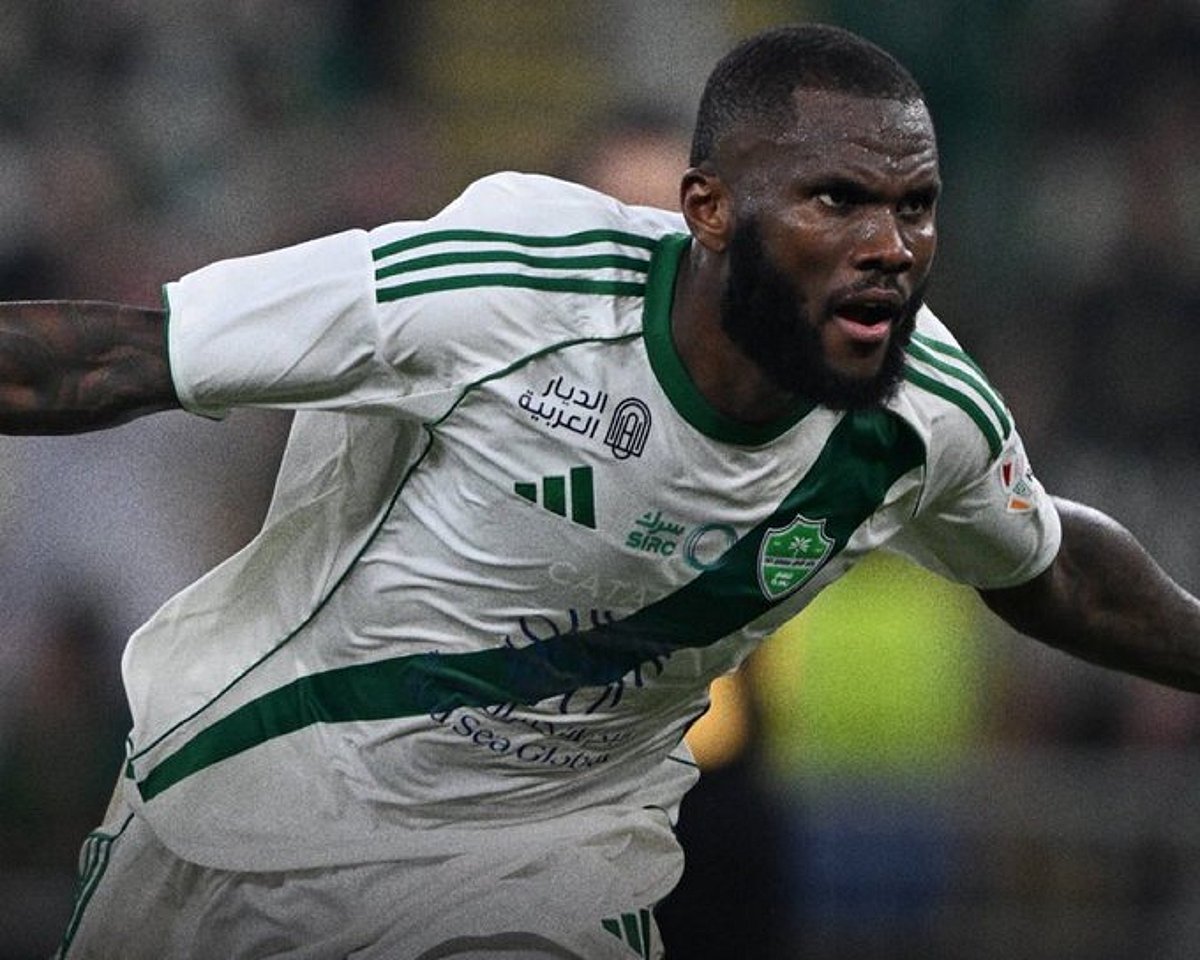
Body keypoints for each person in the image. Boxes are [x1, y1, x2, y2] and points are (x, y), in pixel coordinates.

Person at [1, 22, 1198, 960]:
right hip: (239, 802)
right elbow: (113, 358)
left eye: (915, 206)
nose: (890, 245)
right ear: (708, 210)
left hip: (540, 868)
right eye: (837, 200)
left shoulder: (925, 417)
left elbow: (1055, 569)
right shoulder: (507, 285)